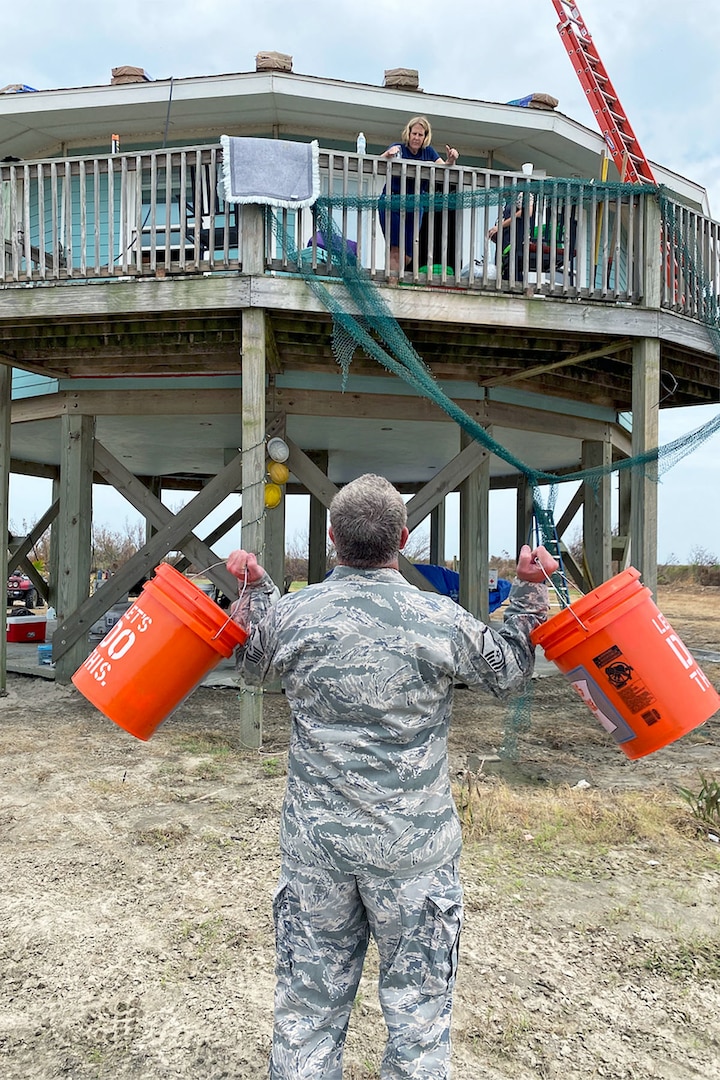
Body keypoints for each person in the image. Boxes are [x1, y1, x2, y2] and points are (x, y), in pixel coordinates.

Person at [226, 473, 558, 1079]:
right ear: (403, 538)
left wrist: (255, 589)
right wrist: (530, 592)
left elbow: (249, 661)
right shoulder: (439, 617)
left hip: (317, 851)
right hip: (414, 853)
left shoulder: (297, 614)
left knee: (307, 1010)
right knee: (419, 1018)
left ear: (332, 540)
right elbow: (505, 670)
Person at [378, 116, 459, 276]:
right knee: (395, 248)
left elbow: (444, 167)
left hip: (415, 205)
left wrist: (451, 159)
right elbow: (379, 161)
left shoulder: (428, 152)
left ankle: (395, 276)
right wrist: (388, 153)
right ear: (408, 134)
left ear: (425, 137)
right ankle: (392, 281)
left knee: (408, 253)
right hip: (392, 201)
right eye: (414, 133)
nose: (416, 137)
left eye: (420, 135)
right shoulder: (399, 148)